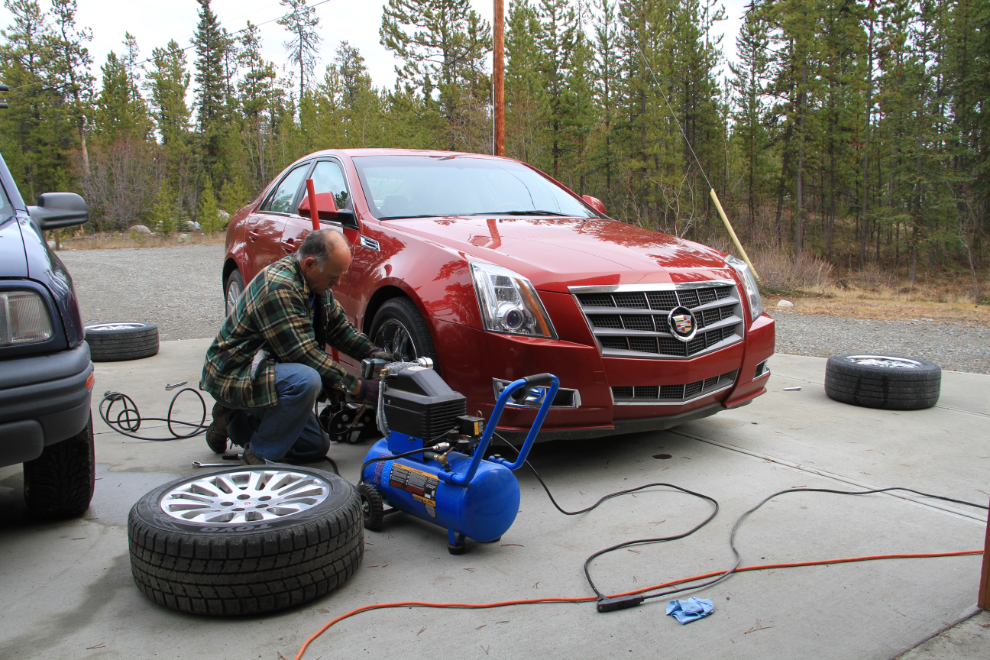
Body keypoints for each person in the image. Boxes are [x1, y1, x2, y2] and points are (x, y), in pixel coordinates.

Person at [200, 229, 390, 465]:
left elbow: (340, 329)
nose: (337, 283)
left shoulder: (316, 286)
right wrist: (359, 387)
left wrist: (373, 353)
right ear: (310, 263)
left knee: (315, 447)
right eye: (333, 277)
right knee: (306, 380)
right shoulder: (279, 287)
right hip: (235, 373)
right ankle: (258, 456)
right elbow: (304, 354)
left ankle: (232, 422)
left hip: (267, 369)